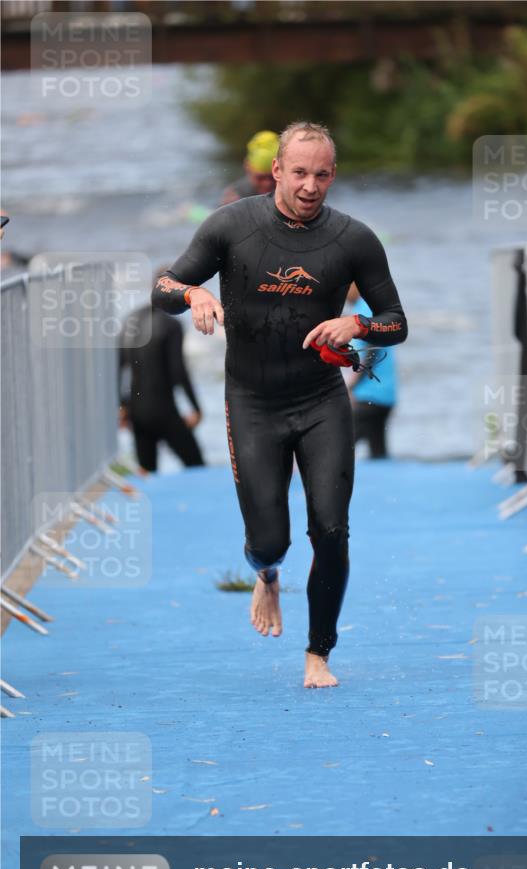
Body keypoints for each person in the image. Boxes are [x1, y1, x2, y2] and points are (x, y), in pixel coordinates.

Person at [152, 121, 407, 688]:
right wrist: (195, 292)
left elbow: (396, 323)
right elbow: (163, 287)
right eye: (299, 173)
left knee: (332, 530)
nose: (310, 185)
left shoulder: (354, 239)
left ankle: (318, 653)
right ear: (276, 172)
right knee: (271, 539)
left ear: (333, 174)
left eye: (321, 174)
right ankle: (265, 573)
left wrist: (357, 322)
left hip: (320, 400)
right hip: (252, 402)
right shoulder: (231, 226)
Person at [118, 292, 205, 474]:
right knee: (196, 464)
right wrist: (196, 408)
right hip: (165, 410)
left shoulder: (130, 321)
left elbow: (119, 367)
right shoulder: (171, 325)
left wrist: (122, 406)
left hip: (137, 411)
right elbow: (178, 371)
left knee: (147, 473)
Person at [345, 282, 397, 458]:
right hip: (386, 393)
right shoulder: (372, 307)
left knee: (340, 446)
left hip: (370, 395)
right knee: (378, 452)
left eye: (347, 286)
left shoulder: (365, 309)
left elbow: (372, 351)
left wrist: (350, 387)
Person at [221, 130, 280, 205]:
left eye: (272, 177)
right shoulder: (234, 197)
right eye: (260, 178)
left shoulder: (290, 192)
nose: (267, 183)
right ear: (247, 167)